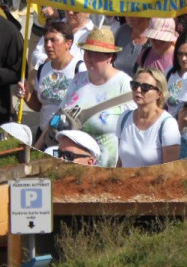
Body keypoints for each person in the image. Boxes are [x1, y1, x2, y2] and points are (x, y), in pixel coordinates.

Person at [55, 27, 134, 166]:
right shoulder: (78, 80)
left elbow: (133, 131)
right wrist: (39, 144)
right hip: (71, 161)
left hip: (107, 166)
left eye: (95, 53)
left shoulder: (124, 84)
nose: (89, 58)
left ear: (110, 57)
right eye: (87, 52)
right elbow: (58, 115)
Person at [20, 21, 86, 142]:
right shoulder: (42, 69)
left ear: (68, 43)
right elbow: (38, 106)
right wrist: (26, 94)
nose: (48, 45)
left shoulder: (80, 69)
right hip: (43, 136)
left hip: (68, 138)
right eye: (46, 41)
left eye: (53, 40)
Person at [116, 68, 181, 166]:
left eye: (145, 87)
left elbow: (170, 169)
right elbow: (120, 162)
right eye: (135, 85)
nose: (138, 90)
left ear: (159, 93)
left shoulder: (168, 124)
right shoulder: (124, 118)